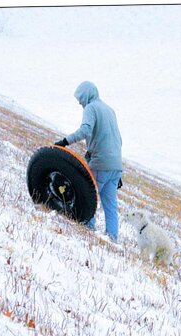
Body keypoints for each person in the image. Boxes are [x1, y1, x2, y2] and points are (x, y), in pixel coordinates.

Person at [55, 81, 123, 243]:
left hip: (100, 163)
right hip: (115, 166)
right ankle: (113, 239)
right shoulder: (109, 110)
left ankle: (87, 230)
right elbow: (119, 140)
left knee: (88, 197)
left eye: (80, 98)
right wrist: (117, 169)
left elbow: (86, 130)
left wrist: (65, 141)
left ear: (87, 95)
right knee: (110, 205)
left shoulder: (91, 108)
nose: (79, 102)